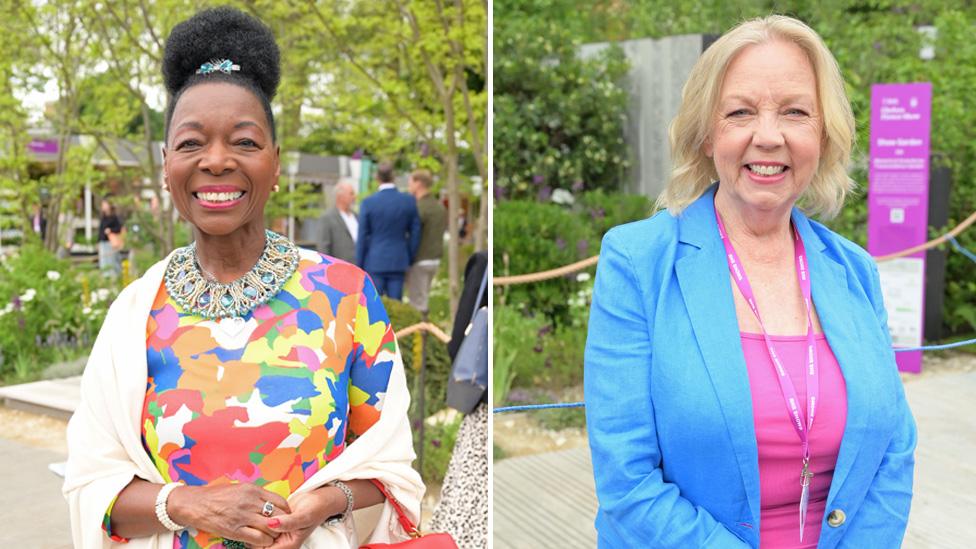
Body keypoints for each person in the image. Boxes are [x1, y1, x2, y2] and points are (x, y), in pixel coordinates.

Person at [63, 8, 423, 549]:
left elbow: (389, 464)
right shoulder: (136, 312)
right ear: (166, 166)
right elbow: (92, 484)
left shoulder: (344, 295)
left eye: (245, 142)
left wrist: (322, 503)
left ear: (275, 164)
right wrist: (188, 505)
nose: (216, 161)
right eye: (191, 144)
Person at [584, 15, 915, 549]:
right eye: (740, 112)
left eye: (795, 112)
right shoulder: (637, 262)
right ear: (706, 134)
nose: (768, 135)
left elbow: (894, 448)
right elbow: (627, 480)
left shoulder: (854, 271)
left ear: (824, 134)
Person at [429, 251, 488, 549]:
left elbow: (458, 343)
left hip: (483, 408)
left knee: (466, 507)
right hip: (490, 402)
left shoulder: (484, 263)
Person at [356, 162, 421, 300]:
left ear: (377, 178)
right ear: (394, 177)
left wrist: (359, 264)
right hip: (398, 259)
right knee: (395, 303)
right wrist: (409, 255)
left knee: (374, 305)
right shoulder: (408, 201)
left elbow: (362, 236)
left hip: (374, 260)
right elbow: (415, 232)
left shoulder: (368, 203)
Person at [405, 169, 447, 313]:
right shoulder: (439, 207)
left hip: (420, 259)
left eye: (411, 182)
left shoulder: (419, 208)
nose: (408, 186)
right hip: (434, 259)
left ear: (419, 184)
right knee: (424, 297)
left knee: (417, 304)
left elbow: (412, 234)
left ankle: (419, 333)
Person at [320, 179, 359, 263]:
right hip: (339, 268)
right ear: (340, 196)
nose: (354, 196)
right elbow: (323, 247)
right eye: (351, 193)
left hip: (359, 268)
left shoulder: (357, 216)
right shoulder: (327, 217)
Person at [98, 199, 124, 276]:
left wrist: (110, 230)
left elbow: (119, 228)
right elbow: (101, 230)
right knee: (104, 261)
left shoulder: (114, 217)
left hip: (111, 243)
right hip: (103, 242)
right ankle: (106, 277)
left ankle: (115, 276)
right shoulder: (103, 217)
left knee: (112, 261)